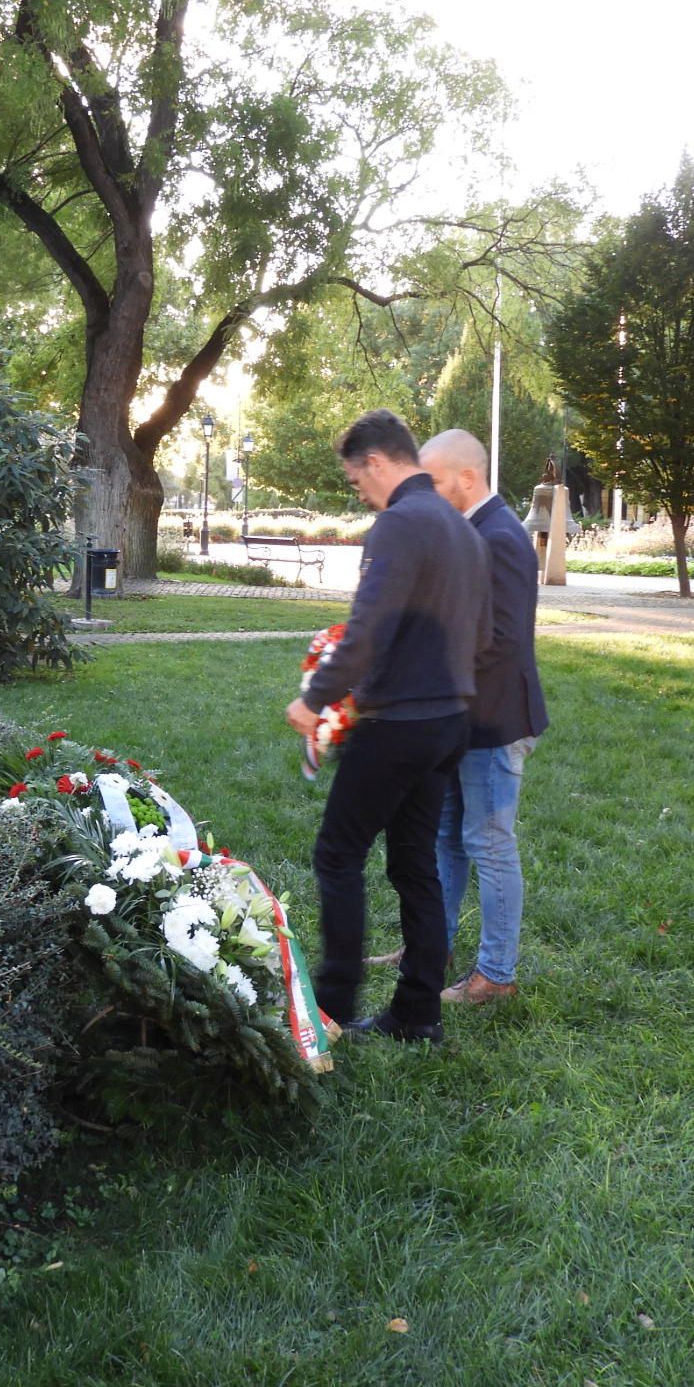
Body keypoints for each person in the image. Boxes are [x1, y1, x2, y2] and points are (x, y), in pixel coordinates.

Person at [288, 410, 491, 1044]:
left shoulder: (401, 524)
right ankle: (417, 1013)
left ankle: (334, 1005)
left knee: (339, 854)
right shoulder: (462, 529)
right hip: (449, 720)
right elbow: (480, 636)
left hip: (399, 725)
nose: (361, 494)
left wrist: (317, 698)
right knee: (413, 863)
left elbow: (368, 629)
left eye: (356, 482)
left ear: (377, 462)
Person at [402, 429, 550, 1005]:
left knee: (488, 842)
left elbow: (503, 641)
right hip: (463, 719)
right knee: (448, 837)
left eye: (434, 483)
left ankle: (496, 975)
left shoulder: (503, 537)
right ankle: (430, 948)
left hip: (495, 720)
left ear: (466, 478)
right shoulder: (472, 531)